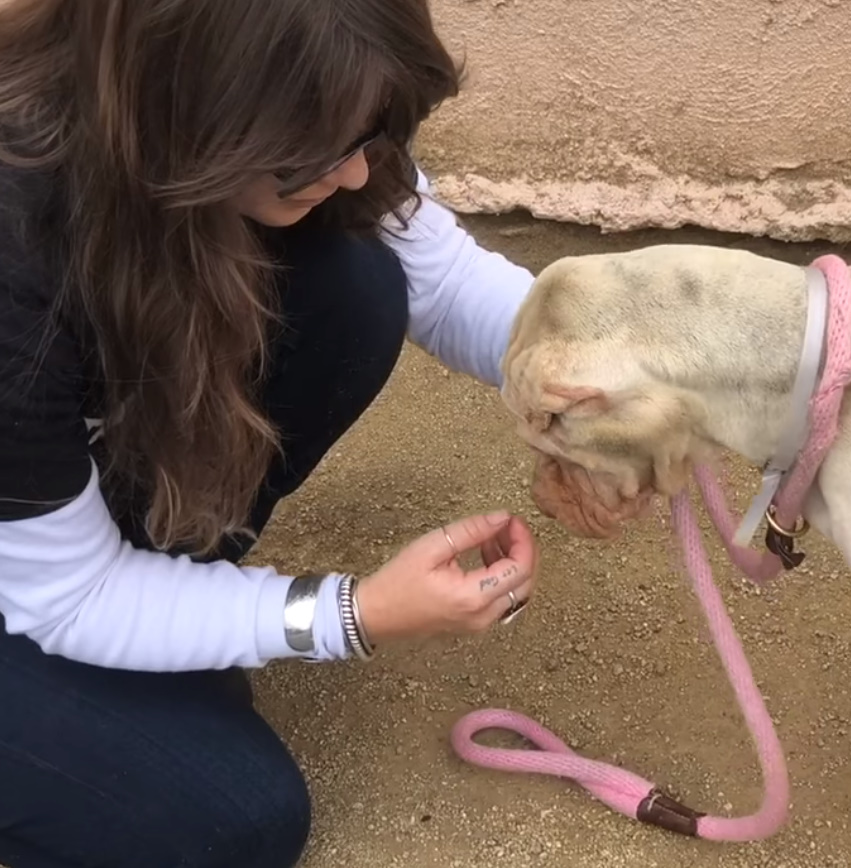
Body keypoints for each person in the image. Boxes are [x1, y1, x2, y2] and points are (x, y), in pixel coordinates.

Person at [0, 1, 543, 866]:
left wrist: (625, 374)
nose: (361, 175)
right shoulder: (17, 241)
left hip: (29, 532)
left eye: (369, 141)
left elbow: (439, 278)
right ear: (196, 111)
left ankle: (139, 653)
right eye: (316, 156)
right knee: (227, 820)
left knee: (353, 282)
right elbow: (69, 596)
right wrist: (346, 615)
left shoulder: (241, 106)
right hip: (39, 571)